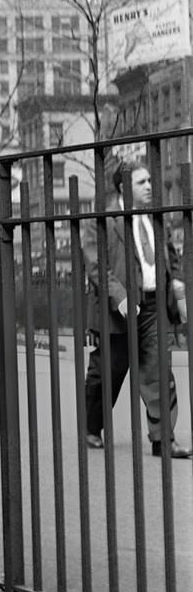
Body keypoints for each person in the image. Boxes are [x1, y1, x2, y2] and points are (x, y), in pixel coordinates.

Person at [81, 161, 190, 458]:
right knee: (108, 372)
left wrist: (175, 282)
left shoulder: (156, 217)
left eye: (149, 180)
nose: (150, 186)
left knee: (158, 371)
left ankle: (162, 439)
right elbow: (96, 265)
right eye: (142, 182)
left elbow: (169, 254)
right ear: (123, 187)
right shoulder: (101, 218)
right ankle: (91, 426)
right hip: (119, 308)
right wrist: (121, 296)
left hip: (153, 306)